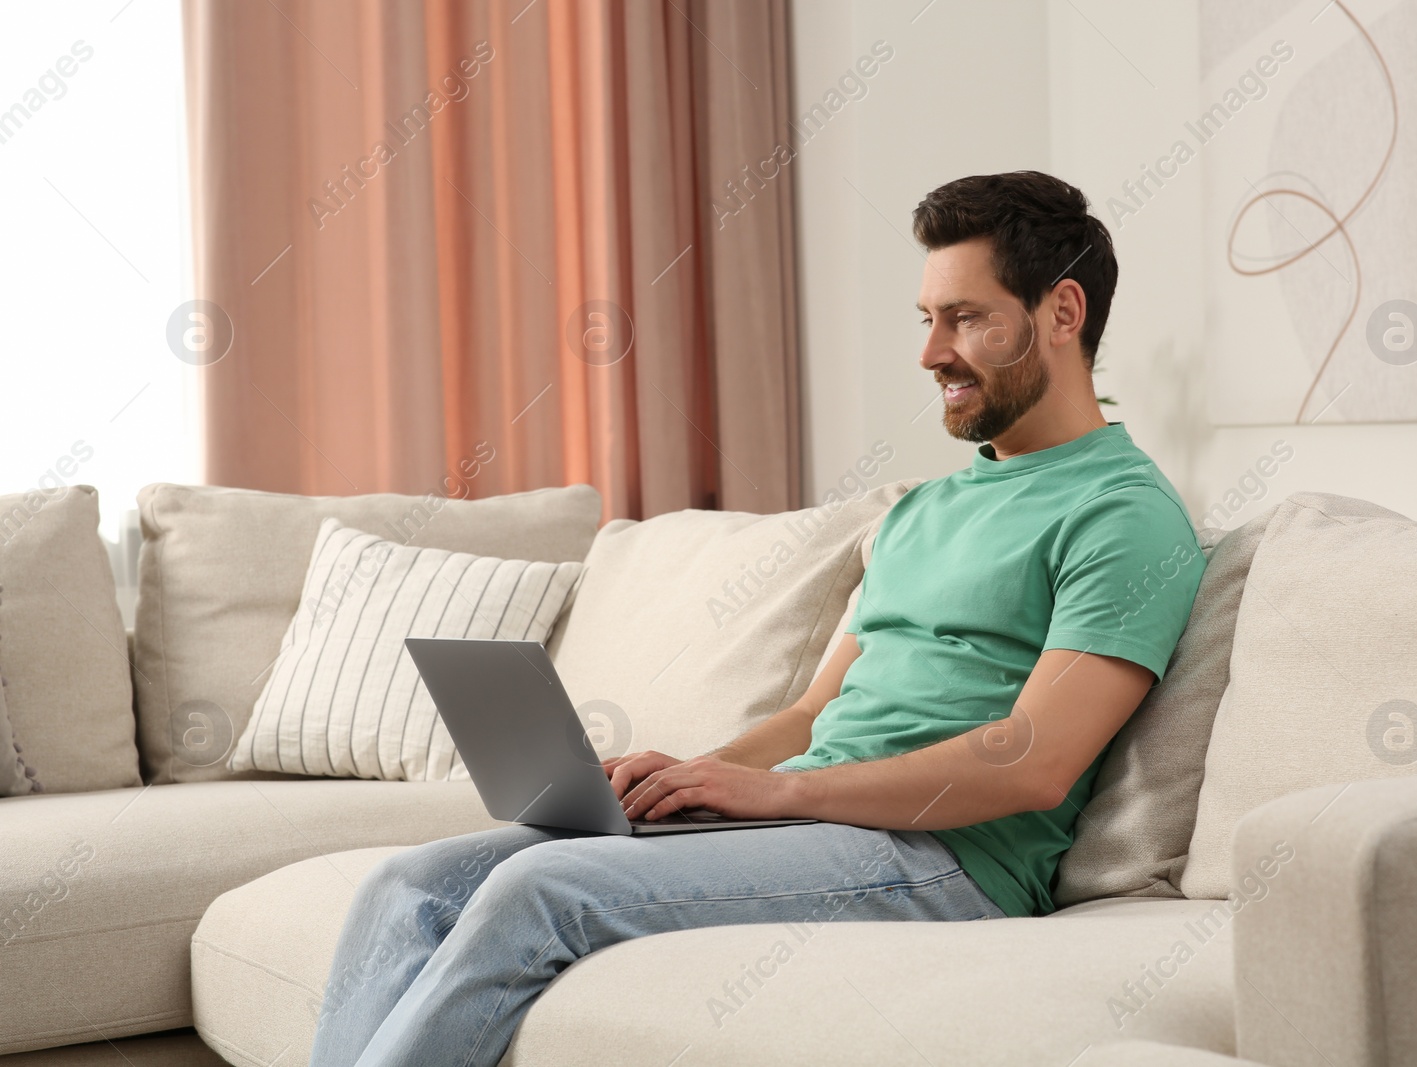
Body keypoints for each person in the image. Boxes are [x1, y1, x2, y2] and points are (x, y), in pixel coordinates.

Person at [308, 170, 1205, 1066]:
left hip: (949, 861)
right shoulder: (921, 511)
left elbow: (1035, 763)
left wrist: (782, 792)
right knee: (406, 884)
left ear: (1062, 311)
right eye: (926, 319)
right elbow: (813, 714)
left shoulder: (1121, 513)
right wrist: (698, 773)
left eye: (966, 318)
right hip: (816, 824)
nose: (932, 352)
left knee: (539, 889)